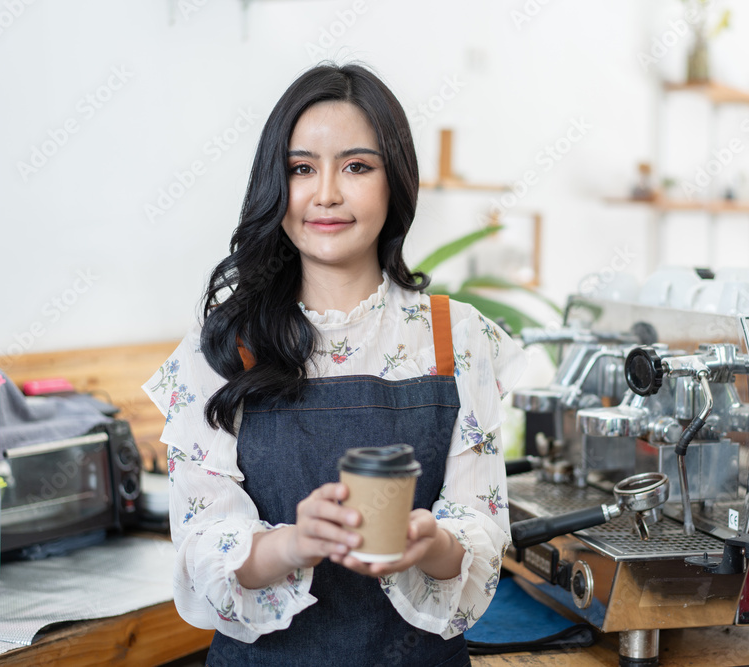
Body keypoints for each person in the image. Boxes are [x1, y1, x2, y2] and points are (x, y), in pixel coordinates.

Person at [142, 63, 526, 667]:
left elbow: (480, 527)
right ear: (276, 182)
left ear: (394, 181)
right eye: (301, 168)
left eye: (356, 166)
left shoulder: (458, 337)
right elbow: (201, 545)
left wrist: (430, 543)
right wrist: (295, 542)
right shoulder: (221, 346)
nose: (325, 193)